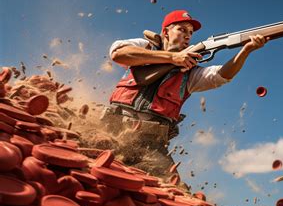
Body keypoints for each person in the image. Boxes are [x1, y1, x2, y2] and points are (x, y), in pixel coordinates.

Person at [102, 10, 268, 177]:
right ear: (166, 32)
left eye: (190, 32)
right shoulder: (144, 46)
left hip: (151, 145)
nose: (188, 36)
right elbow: (118, 53)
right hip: (112, 129)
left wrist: (246, 50)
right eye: (182, 29)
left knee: (172, 192)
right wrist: (172, 58)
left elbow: (222, 75)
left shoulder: (190, 72)